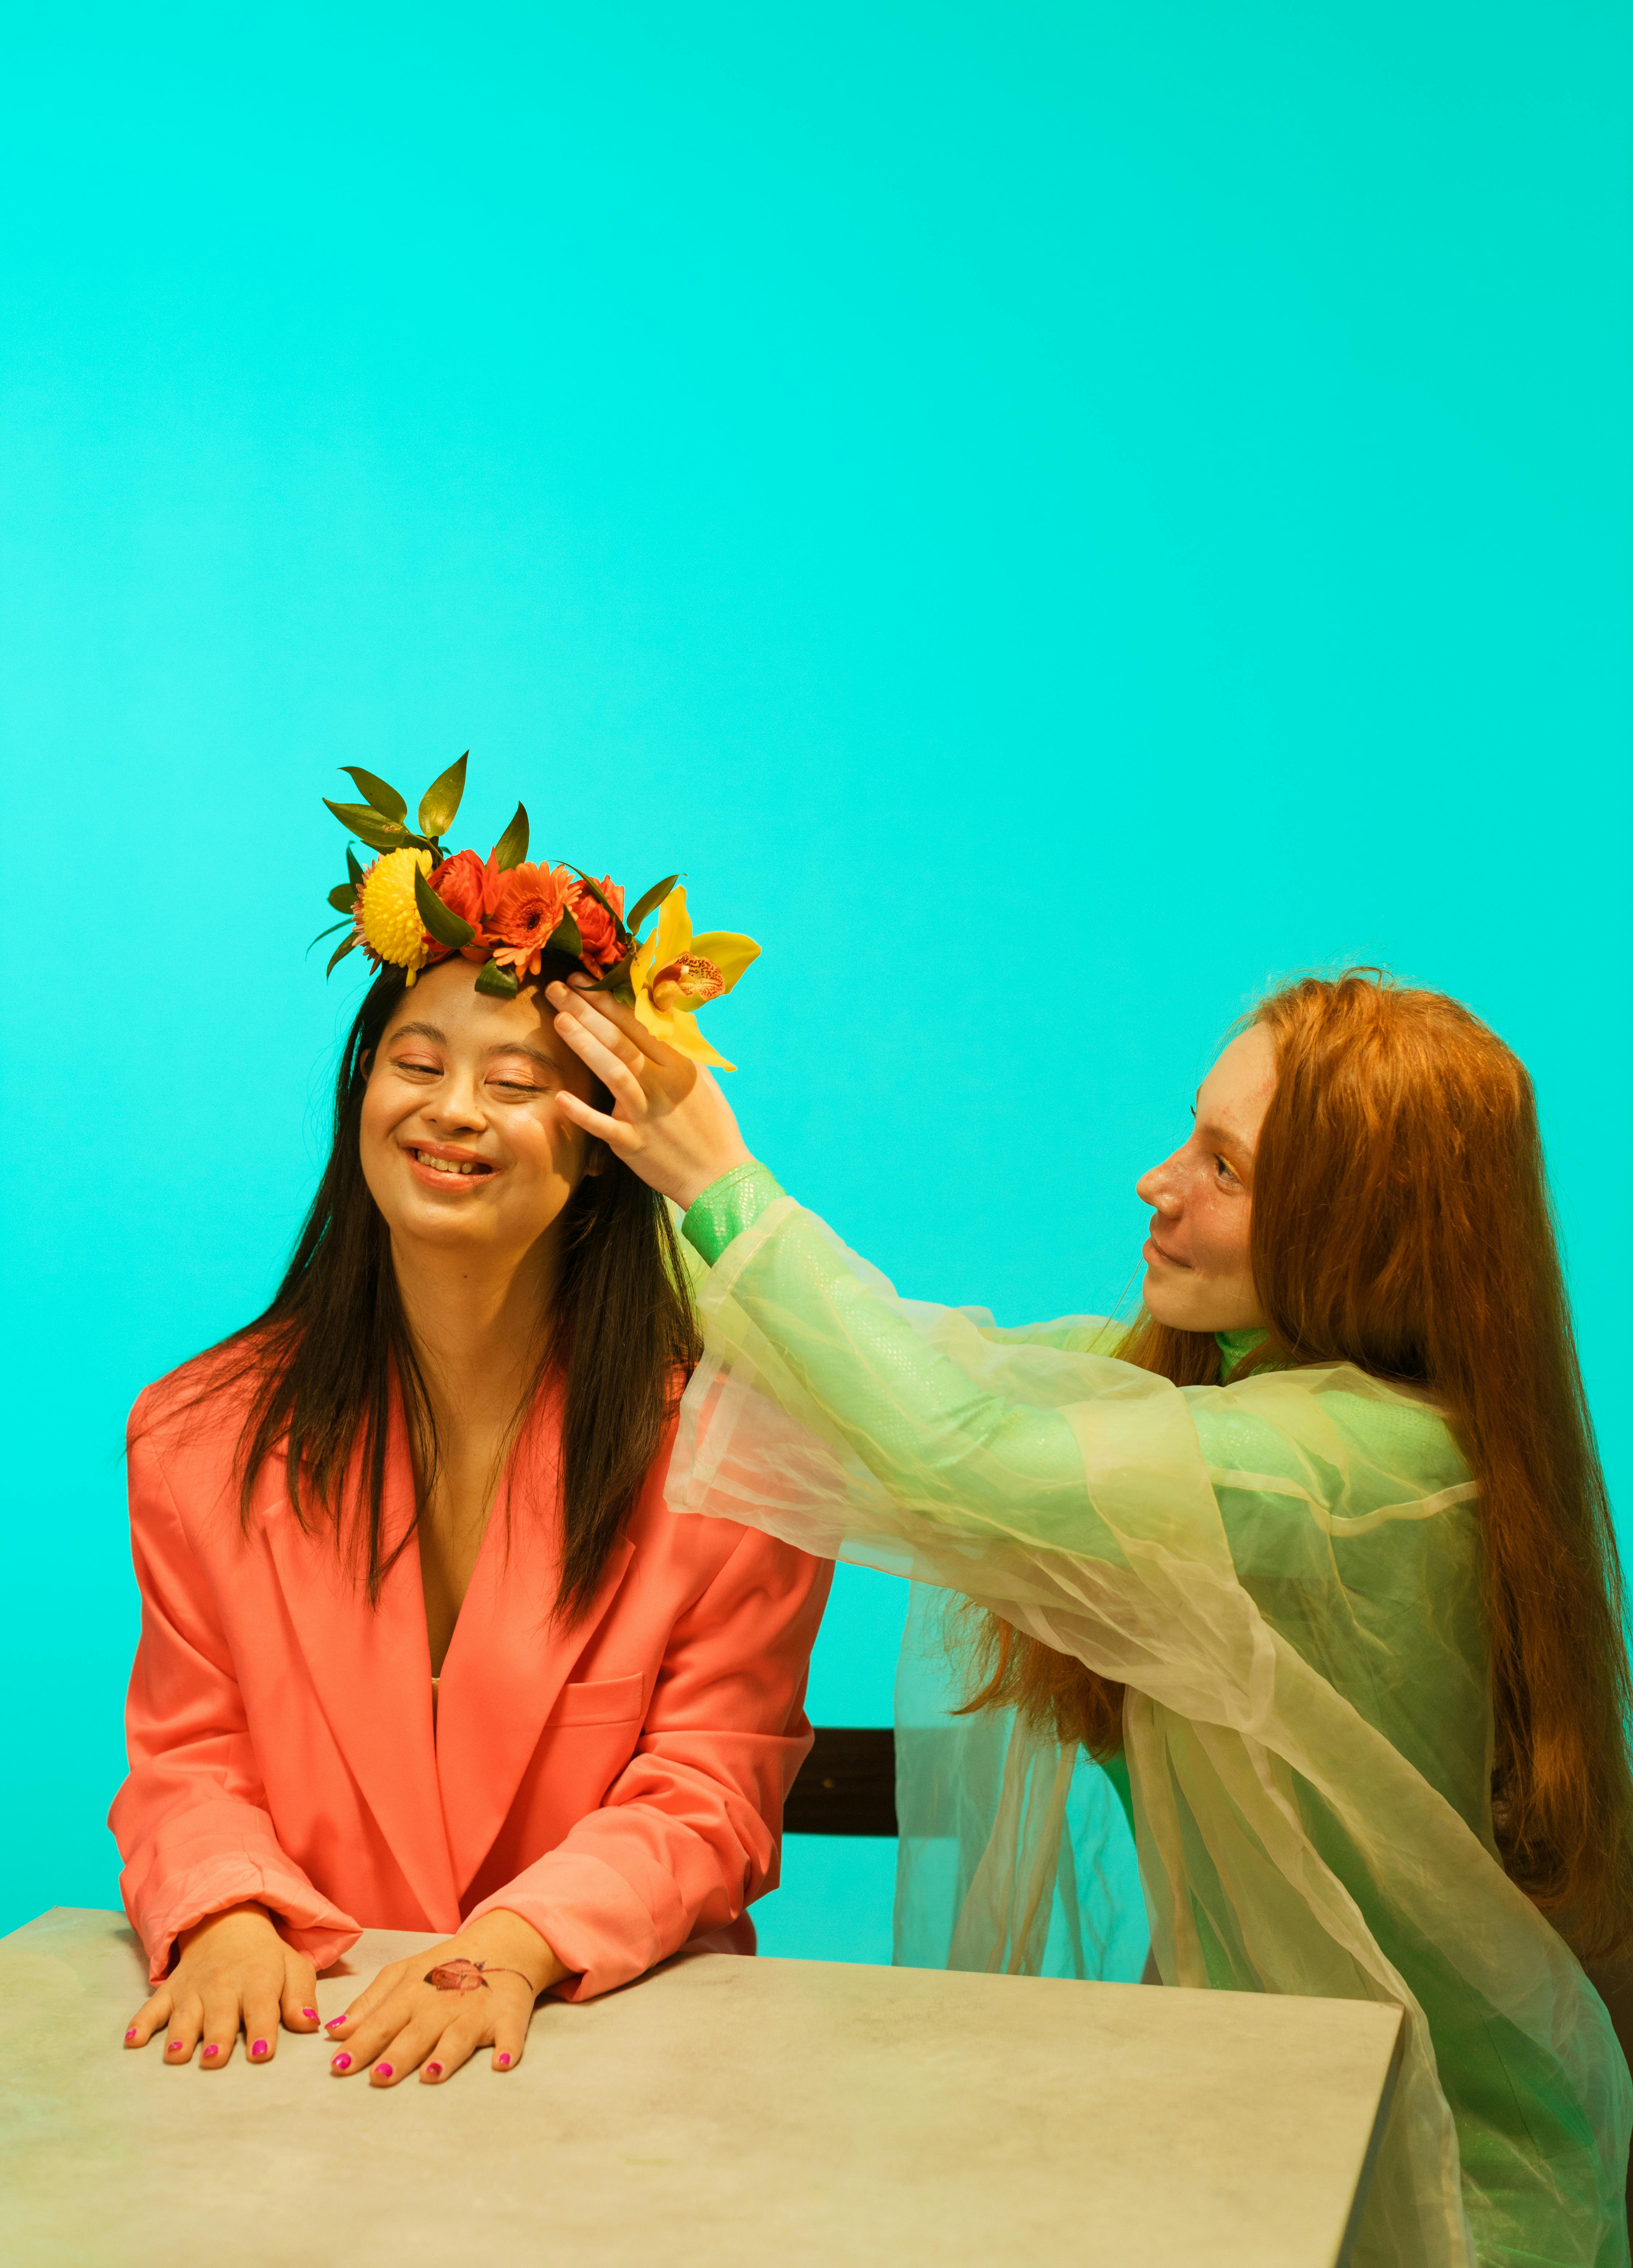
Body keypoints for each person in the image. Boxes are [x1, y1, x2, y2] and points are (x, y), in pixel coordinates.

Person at [543, 968, 1633, 2268]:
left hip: (1443, 2191)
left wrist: (715, 1180)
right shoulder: (1231, 1395)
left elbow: (956, 1443)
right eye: (1194, 1136)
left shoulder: (1342, 1468)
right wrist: (622, 1141)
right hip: (1276, 2130)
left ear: (1366, 1228)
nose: (1158, 1184)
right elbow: (919, 1361)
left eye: (1225, 1169)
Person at [115, 761, 828, 2087]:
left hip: (615, 2065)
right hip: (313, 2072)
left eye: (516, 1082)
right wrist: (224, 1907)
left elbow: (711, 1789)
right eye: (419, 1063)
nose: (452, 1110)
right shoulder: (199, 1435)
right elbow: (190, 1753)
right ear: (361, 1096)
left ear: (605, 1143)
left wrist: (507, 1947)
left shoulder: (739, 1457)